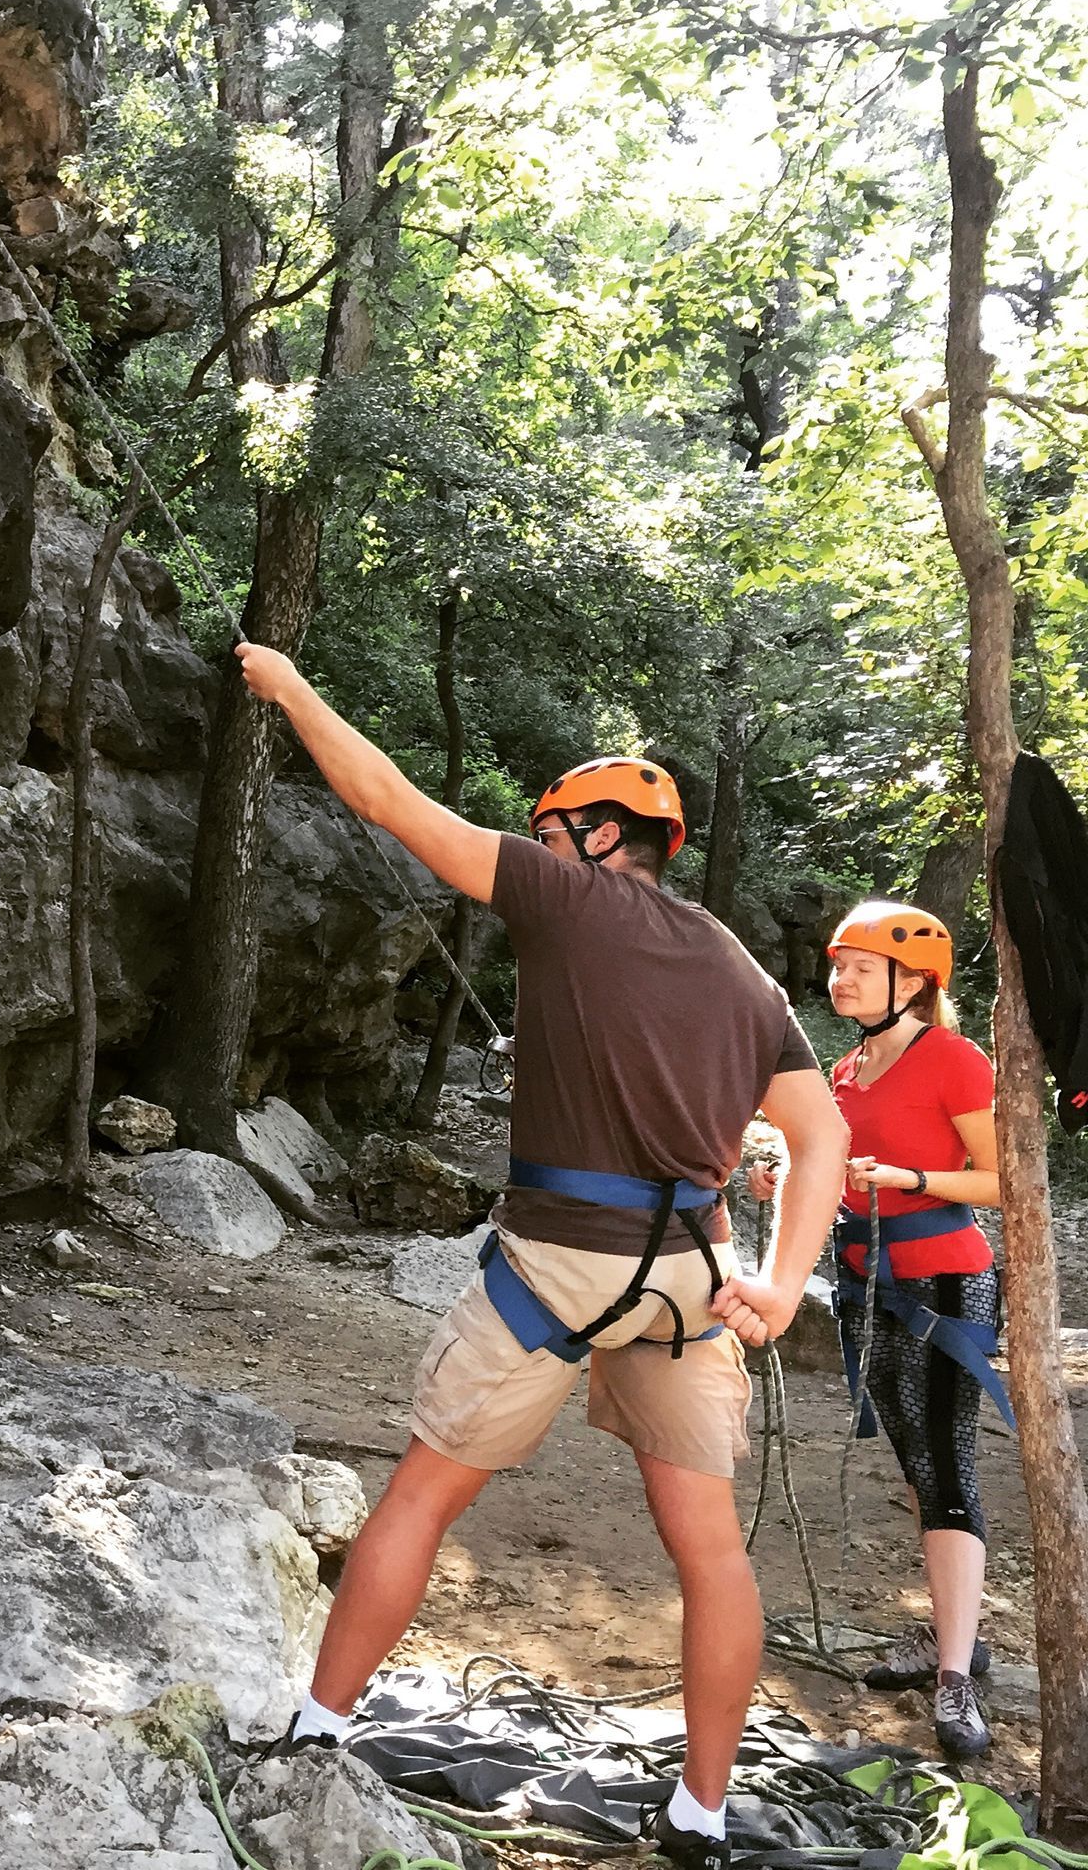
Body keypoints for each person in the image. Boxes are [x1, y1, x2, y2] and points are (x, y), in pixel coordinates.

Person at [235, 642, 848, 1870]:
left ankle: (313, 1737)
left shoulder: (566, 897)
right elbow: (820, 1127)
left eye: (555, 827)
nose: (544, 843)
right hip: (692, 1279)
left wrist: (293, 689)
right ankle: (704, 1816)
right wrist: (781, 1281)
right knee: (711, 1547)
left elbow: (388, 803)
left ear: (598, 834)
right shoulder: (738, 967)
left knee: (422, 1494)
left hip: (556, 1267)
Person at [749, 902, 1001, 1759]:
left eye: (859, 965)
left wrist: (912, 1176)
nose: (839, 978)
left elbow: (1007, 1181)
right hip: (869, 1283)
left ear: (914, 981)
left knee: (945, 1456)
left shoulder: (956, 1061)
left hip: (946, 1282)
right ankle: (949, 1636)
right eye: (837, 963)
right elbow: (830, 1169)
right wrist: (778, 1179)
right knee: (913, 1460)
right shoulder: (847, 1070)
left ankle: (958, 1675)